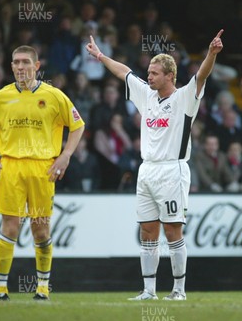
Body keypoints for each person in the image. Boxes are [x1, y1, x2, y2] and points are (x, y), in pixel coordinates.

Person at [86, 29, 224, 301]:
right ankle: (149, 290)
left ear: (170, 76)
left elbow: (203, 75)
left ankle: (179, 290)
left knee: (173, 230)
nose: (148, 76)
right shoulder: (146, 95)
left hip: (172, 170)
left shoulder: (185, 98)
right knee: (147, 230)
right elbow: (124, 73)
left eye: (154, 73)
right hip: (146, 169)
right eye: (148, 72)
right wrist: (101, 56)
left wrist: (211, 53)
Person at [0, 45, 85, 301]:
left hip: (42, 168)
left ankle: (43, 288)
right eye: (16, 62)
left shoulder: (54, 96)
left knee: (40, 230)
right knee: (10, 227)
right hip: (11, 166)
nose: (20, 67)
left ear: (37, 66)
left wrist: (66, 155)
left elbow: (78, 125)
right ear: (11, 66)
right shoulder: (1, 97)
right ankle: (1, 289)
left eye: (26, 62)